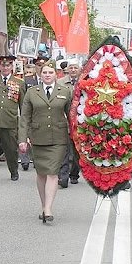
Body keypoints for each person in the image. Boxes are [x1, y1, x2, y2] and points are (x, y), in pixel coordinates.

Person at [18, 60, 72, 223]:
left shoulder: (65, 91)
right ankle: (44, 206)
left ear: (56, 74)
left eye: (50, 73)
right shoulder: (32, 92)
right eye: (45, 73)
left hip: (58, 138)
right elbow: (25, 117)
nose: (47, 75)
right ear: (40, 75)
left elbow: (71, 115)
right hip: (38, 137)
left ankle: (48, 209)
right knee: (41, 173)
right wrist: (22, 139)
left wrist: (78, 136)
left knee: (52, 172)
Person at [0, 55, 26, 184]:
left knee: (11, 149)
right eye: (3, 65)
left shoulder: (19, 82)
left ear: (12, 66)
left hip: (9, 121)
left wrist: (24, 125)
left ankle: (13, 170)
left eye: (8, 65)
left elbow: (22, 105)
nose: (5, 67)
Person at [58, 60, 81, 188]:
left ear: (80, 69)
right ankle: (63, 176)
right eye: (71, 67)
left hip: (79, 121)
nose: (73, 70)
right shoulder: (60, 83)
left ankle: (74, 174)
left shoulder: (85, 81)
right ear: (67, 69)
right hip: (64, 120)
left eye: (75, 67)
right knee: (64, 149)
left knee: (77, 150)